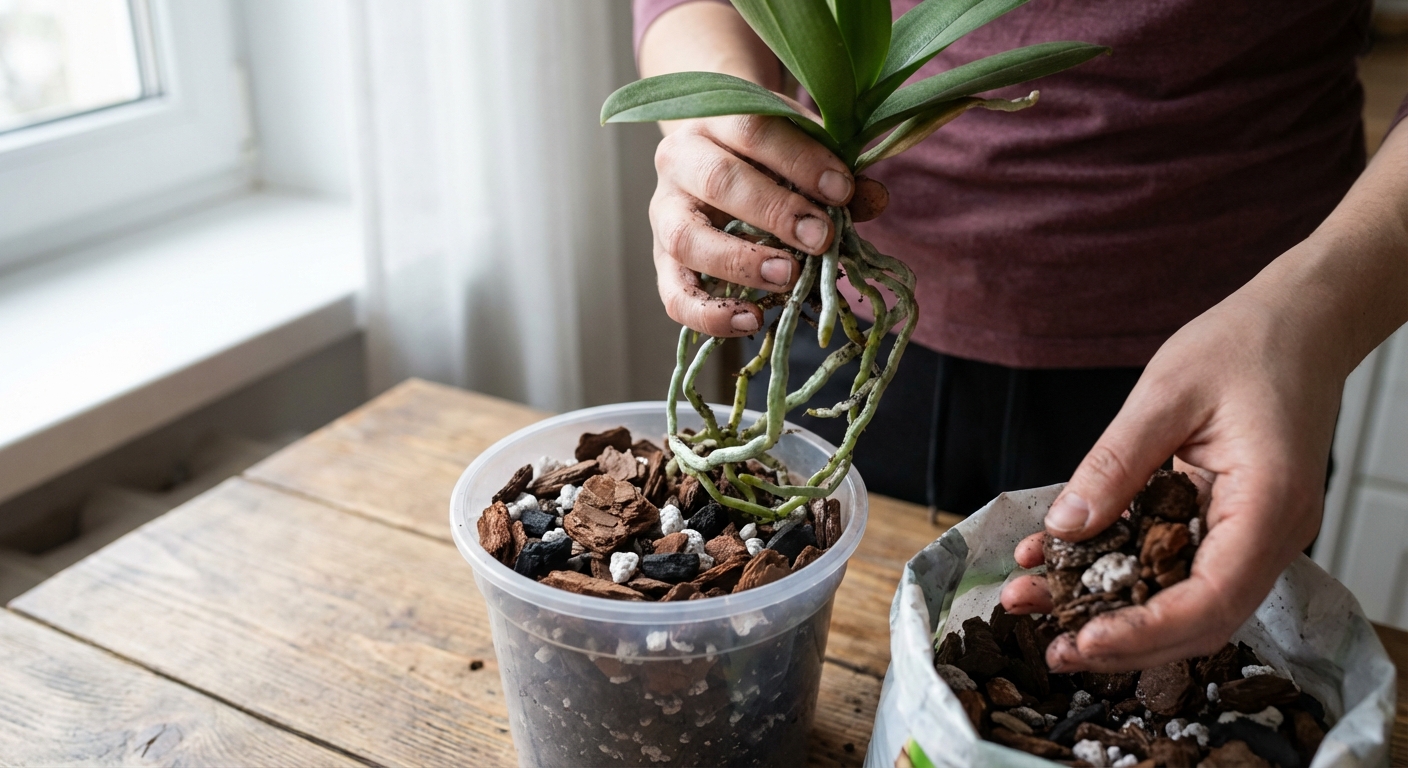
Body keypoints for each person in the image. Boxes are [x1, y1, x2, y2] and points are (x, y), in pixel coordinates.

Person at [632, 0, 1408, 673]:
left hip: (1233, 349)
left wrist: (1312, 316)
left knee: (1149, 668)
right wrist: (722, 125)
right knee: (808, 650)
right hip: (849, 311)